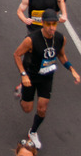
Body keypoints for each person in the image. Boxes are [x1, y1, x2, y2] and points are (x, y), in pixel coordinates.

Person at [13, 8, 80, 148]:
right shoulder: (31, 40)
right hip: (31, 77)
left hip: (47, 77)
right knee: (27, 109)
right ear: (43, 23)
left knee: (42, 109)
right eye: (48, 24)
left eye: (54, 24)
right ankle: (21, 91)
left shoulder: (60, 38)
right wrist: (23, 75)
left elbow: (61, 55)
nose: (51, 28)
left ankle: (33, 132)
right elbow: (17, 55)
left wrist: (72, 70)